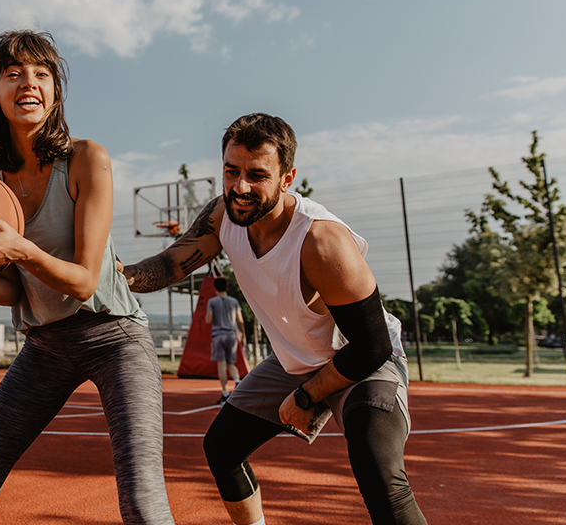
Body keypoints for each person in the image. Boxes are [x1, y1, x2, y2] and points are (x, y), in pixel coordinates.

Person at [0, 30, 174, 525]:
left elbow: (81, 281)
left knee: (142, 501)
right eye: (13, 74)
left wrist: (18, 247)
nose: (28, 83)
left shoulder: (86, 159)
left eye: (41, 74)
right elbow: (18, 288)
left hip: (114, 336)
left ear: (55, 92)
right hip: (45, 344)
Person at [121, 113, 426, 524]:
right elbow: (170, 264)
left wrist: (306, 396)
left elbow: (372, 347)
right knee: (223, 448)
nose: (240, 187)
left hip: (361, 359)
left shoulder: (321, 242)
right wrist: (116, 277)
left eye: (257, 175)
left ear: (287, 178)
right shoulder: (221, 215)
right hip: (296, 359)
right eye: (231, 171)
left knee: (378, 469)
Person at [205, 276, 245, 404]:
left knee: (221, 365)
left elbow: (208, 320)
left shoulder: (212, 301)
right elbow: (240, 320)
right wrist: (243, 335)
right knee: (231, 363)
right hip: (232, 335)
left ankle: (225, 394)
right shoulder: (234, 302)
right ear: (227, 287)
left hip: (218, 335)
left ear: (215, 288)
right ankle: (237, 382)